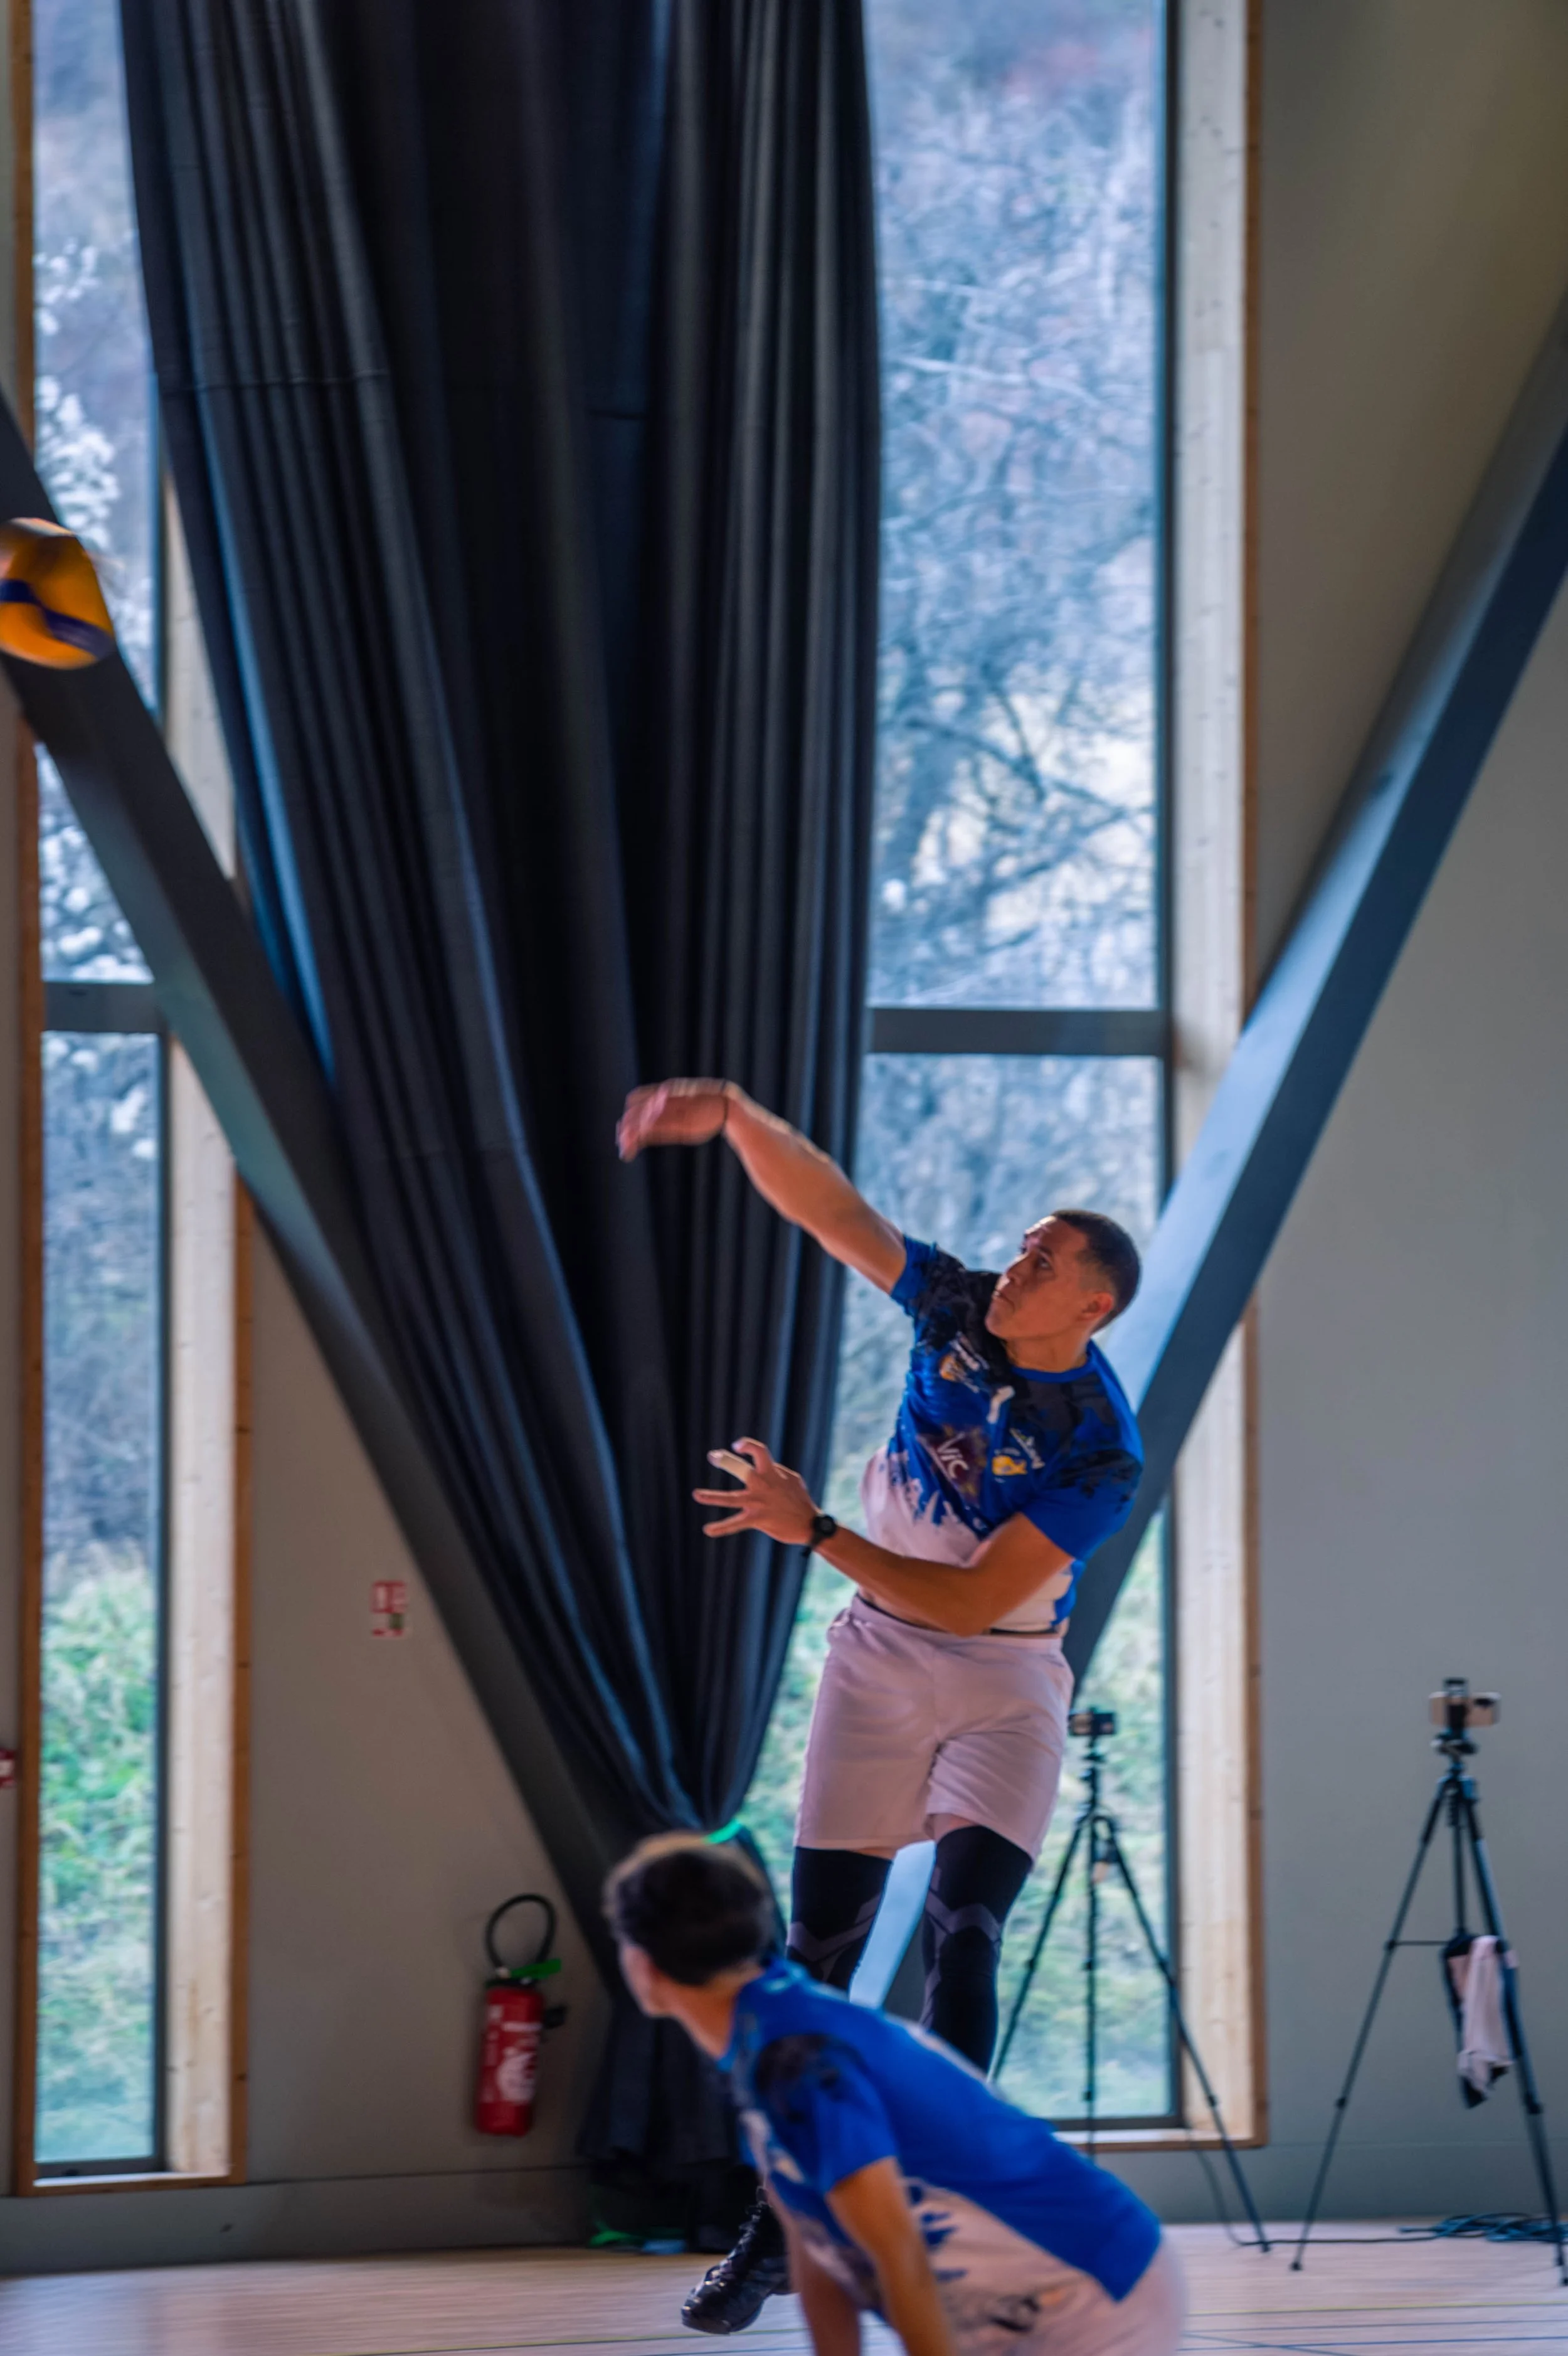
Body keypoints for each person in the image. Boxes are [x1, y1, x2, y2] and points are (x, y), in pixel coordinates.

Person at [618, 1078, 1144, 2333]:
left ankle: (936, 2208)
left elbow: (970, 1608)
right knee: (812, 1969)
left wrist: (814, 1529)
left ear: (1093, 1304)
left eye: (1045, 1260)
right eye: (1019, 1248)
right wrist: (741, 1117)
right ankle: (771, 2231)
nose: (1016, 1266)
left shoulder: (1098, 1450)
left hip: (1002, 1676)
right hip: (874, 1662)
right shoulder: (954, 1307)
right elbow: (833, 1213)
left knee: (964, 1932)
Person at [607, 1833, 1184, 2356]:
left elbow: (899, 2257)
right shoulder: (768, 2032)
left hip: (1089, 2287)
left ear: (642, 1964)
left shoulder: (798, 2062)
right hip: (1046, 2289)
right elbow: (816, 2253)